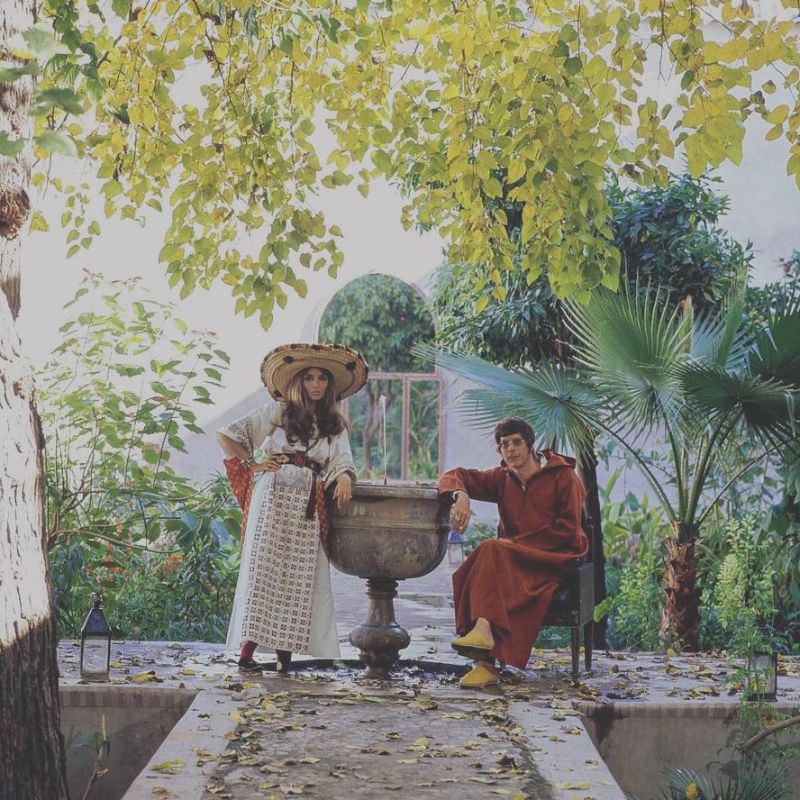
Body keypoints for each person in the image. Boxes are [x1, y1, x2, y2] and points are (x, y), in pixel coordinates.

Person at [217, 342, 368, 672]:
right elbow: (229, 435)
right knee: (264, 572)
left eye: (322, 378)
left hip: (307, 504)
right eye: (309, 377)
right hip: (272, 497)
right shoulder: (278, 412)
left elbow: (342, 460)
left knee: (299, 575)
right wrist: (252, 463)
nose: (316, 384)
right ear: (298, 381)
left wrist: (343, 477)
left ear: (329, 385)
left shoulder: (335, 425)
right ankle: (247, 651)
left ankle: (285, 655)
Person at [439, 417, 588, 689]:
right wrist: (460, 494)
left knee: (490, 549)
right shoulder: (502, 478)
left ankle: (483, 643)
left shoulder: (563, 477)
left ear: (530, 445)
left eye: (517, 442)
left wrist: (519, 545)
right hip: (512, 560)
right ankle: (484, 663)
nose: (510, 449)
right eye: (503, 445)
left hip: (553, 559)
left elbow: (568, 531)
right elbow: (452, 475)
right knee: (475, 566)